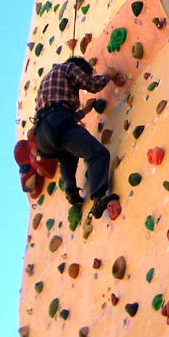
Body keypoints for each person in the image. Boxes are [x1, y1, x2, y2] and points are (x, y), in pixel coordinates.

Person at [33, 56, 124, 218]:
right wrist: (108, 75)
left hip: (43, 136)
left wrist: (84, 111)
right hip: (57, 124)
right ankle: (98, 198)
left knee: (68, 155)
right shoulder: (68, 68)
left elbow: (59, 118)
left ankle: (70, 190)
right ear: (80, 69)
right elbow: (93, 85)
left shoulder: (48, 82)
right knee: (97, 153)